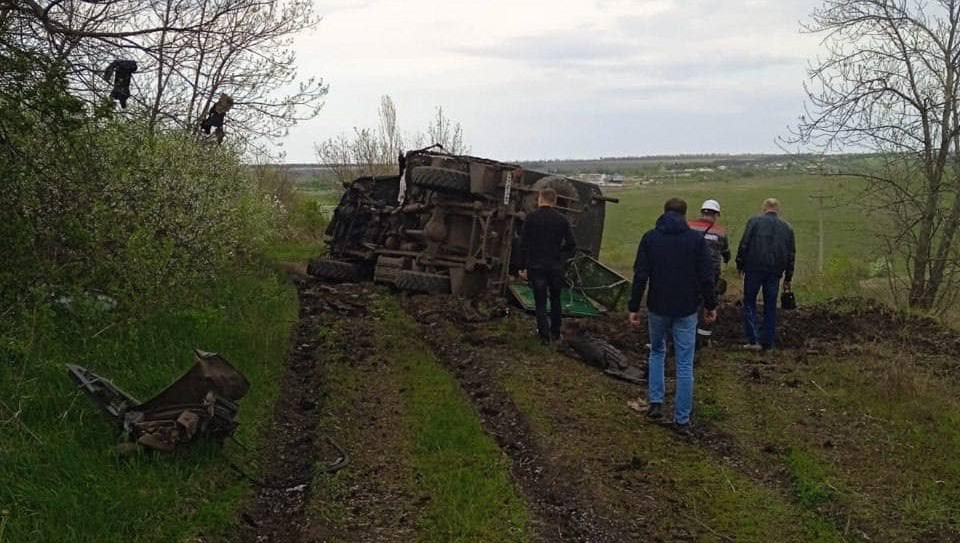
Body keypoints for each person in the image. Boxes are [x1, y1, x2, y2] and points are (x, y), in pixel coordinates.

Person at [628, 198, 717, 436]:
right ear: (685, 215)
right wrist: (711, 305)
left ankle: (656, 403)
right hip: (687, 308)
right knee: (685, 364)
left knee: (657, 351)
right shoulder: (696, 241)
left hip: (657, 306)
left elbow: (640, 275)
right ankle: (682, 419)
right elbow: (707, 278)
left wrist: (634, 306)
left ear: (664, 212)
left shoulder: (650, 238)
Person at [735, 198, 796, 352]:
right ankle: (767, 342)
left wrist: (740, 263)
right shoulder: (787, 228)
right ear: (778, 209)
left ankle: (753, 339)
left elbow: (744, 244)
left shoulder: (753, 222)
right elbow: (791, 254)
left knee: (749, 302)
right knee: (770, 305)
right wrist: (788, 277)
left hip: (753, 268)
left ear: (764, 208)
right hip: (775, 272)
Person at [519, 188, 577, 344]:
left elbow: (523, 244)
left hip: (536, 265)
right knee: (556, 300)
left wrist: (524, 267)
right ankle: (556, 333)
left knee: (540, 302)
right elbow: (572, 244)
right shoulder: (562, 219)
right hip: (555, 266)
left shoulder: (531, 218)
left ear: (540, 199)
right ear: (555, 201)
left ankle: (544, 337)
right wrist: (558, 250)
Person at [687, 199, 731, 348]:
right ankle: (703, 338)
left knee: (689, 302)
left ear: (702, 212)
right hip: (711, 274)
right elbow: (725, 252)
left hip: (690, 272)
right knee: (708, 304)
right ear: (716, 214)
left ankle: (685, 333)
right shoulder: (720, 231)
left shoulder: (689, 226)